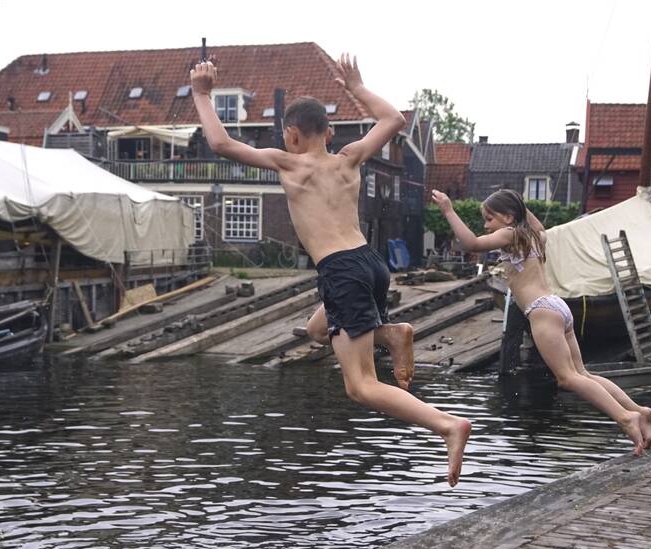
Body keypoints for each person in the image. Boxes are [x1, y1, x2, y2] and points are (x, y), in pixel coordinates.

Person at [190, 55, 472, 486]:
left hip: (340, 271)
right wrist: (357, 87)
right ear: (330, 131)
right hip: (369, 262)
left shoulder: (290, 164)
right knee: (318, 330)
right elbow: (393, 118)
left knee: (360, 386)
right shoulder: (348, 159)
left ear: (292, 134)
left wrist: (202, 94)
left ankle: (447, 425)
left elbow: (222, 144)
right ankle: (392, 333)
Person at [430, 188, 651, 455]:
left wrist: (448, 210)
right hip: (557, 307)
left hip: (541, 311)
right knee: (583, 374)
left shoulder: (510, 234)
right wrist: (514, 199)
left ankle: (624, 417)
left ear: (508, 217)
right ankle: (639, 410)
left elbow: (472, 244)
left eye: (489, 218)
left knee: (567, 379)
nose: (486, 225)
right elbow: (534, 221)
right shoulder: (536, 236)